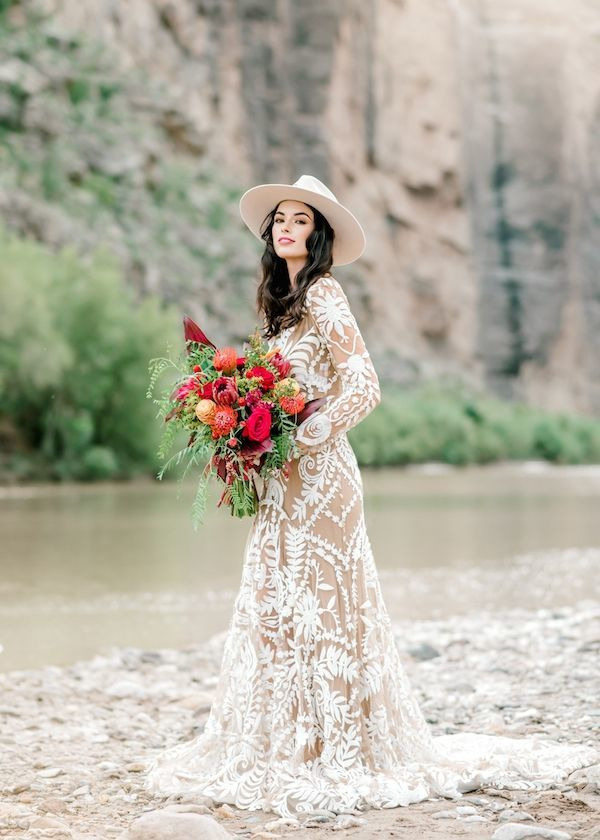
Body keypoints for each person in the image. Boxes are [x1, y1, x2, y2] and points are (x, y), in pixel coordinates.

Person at [145, 175, 599, 817]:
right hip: (281, 486)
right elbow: (276, 396)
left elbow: (364, 385)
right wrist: (249, 446)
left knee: (324, 607)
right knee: (276, 602)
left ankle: (334, 747)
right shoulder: (281, 308)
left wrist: (301, 438)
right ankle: (287, 742)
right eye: (279, 219)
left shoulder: (326, 294)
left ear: (317, 234)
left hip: (323, 481)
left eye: (299, 219)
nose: (285, 227)